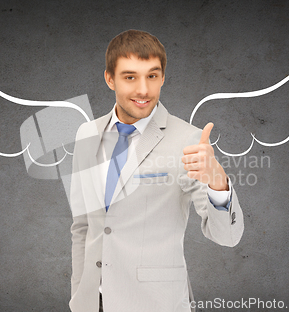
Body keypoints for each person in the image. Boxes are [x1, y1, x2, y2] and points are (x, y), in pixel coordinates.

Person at [69, 29, 244, 312]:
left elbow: (227, 236)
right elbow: (82, 226)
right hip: (91, 303)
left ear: (163, 77)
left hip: (155, 303)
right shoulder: (86, 134)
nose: (143, 90)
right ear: (109, 79)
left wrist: (217, 181)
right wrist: (78, 295)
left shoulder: (189, 140)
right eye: (130, 77)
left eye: (152, 75)